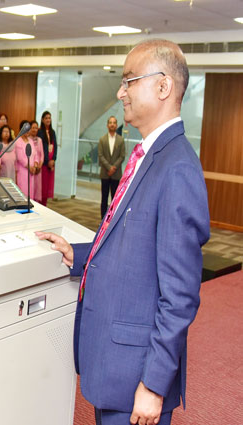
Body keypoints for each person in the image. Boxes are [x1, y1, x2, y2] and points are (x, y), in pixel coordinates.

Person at [36, 39, 210, 425]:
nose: (120, 92)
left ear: (163, 87)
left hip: (137, 376)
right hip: (114, 364)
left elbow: (179, 297)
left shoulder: (177, 168)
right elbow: (131, 240)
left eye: (129, 80)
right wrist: (78, 253)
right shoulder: (148, 154)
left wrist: (154, 384)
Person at [99, 116, 125, 218]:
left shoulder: (121, 140)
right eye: (110, 122)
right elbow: (100, 156)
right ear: (107, 125)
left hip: (116, 174)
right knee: (104, 198)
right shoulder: (102, 139)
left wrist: (113, 167)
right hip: (105, 174)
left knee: (115, 199)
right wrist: (109, 167)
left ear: (116, 125)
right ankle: (102, 219)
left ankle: (112, 219)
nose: (112, 124)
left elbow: (122, 156)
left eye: (114, 122)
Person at [14, 120, 43, 202]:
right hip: (23, 171)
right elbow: (20, 158)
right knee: (23, 192)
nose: (28, 131)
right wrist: (29, 167)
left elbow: (36, 154)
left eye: (28, 129)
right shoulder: (18, 141)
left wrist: (36, 164)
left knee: (31, 193)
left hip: (32, 171)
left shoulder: (30, 140)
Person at [39, 111, 57, 206]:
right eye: (46, 118)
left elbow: (55, 147)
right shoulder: (40, 132)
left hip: (51, 164)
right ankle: (41, 205)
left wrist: (53, 160)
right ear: (42, 120)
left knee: (48, 188)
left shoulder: (52, 132)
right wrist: (47, 161)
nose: (48, 120)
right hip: (44, 164)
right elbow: (41, 149)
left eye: (49, 118)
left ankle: (45, 204)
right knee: (43, 188)